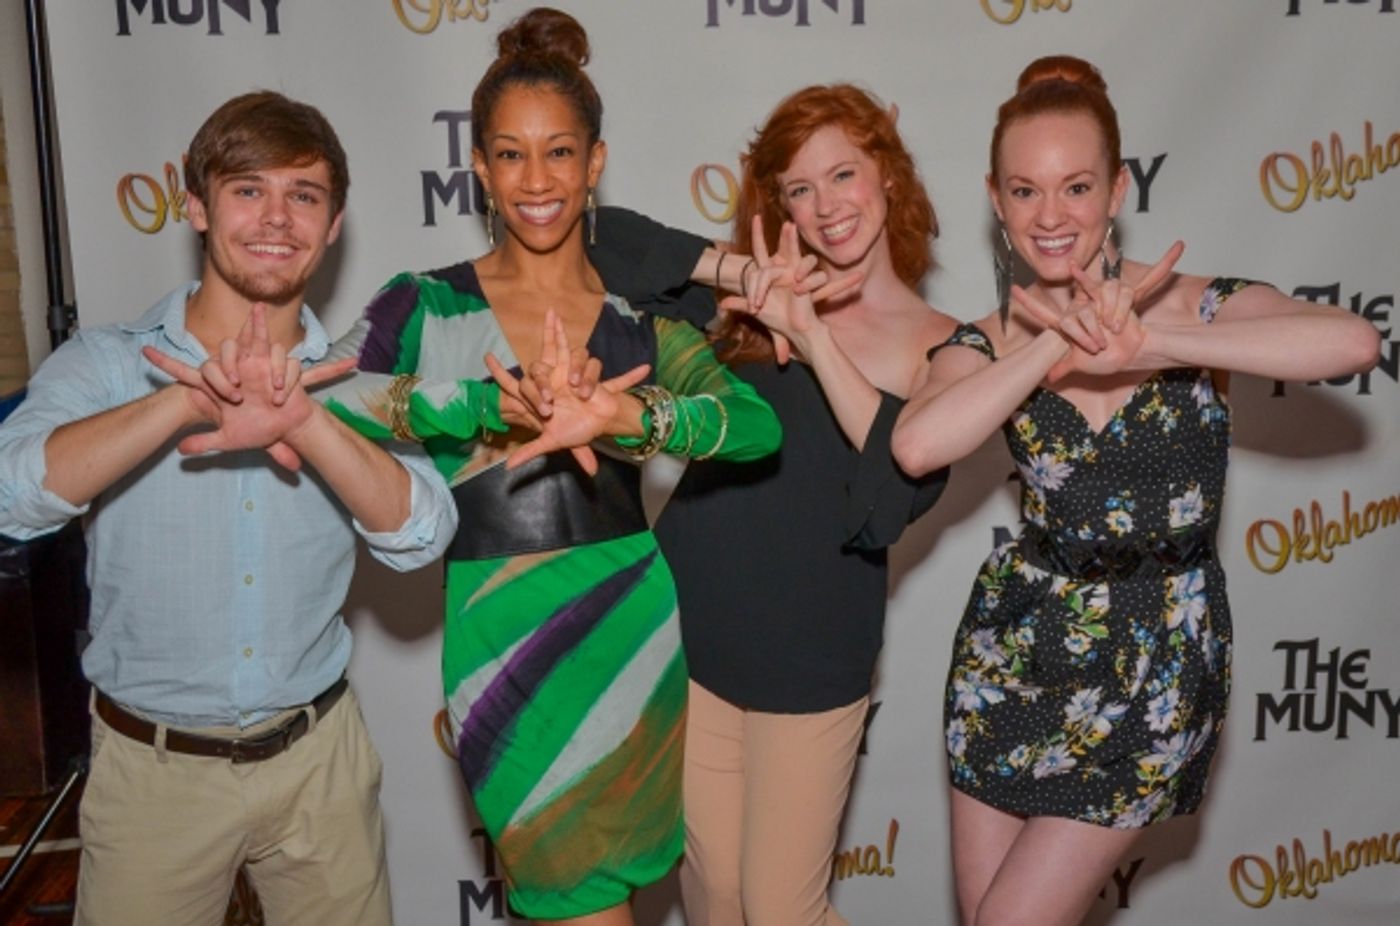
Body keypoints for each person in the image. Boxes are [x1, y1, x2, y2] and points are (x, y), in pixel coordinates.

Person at [890, 56, 1381, 926]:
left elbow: (1351, 344)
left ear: (1117, 189)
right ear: (995, 201)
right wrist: (1053, 345)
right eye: (1025, 190)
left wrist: (1150, 341)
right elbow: (920, 443)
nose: (1051, 216)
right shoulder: (985, 341)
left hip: (1157, 661)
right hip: (1014, 658)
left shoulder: (1194, 307)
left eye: (1076, 186)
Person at [316, 9, 782, 925]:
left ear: (594, 164)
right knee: (562, 895)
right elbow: (322, 392)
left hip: (631, 633)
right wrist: (481, 406)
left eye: (560, 153)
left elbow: (756, 426)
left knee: (604, 901)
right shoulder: (423, 303)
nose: (537, 181)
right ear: (480, 168)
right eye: (511, 155)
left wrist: (629, 415)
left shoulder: (637, 323)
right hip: (501, 639)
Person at [0, 91, 458, 926]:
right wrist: (182, 404)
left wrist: (308, 423)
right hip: (153, 775)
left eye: (304, 195)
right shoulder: (108, 363)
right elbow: (10, 496)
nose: (277, 218)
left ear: (334, 222)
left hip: (317, 764)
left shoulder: (350, 385)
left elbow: (423, 535)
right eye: (249, 188)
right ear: (196, 204)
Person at [643, 84, 957, 926]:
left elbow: (897, 497)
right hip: (689, 635)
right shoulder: (747, 302)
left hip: (813, 660)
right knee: (715, 902)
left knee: (783, 910)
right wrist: (737, 273)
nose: (826, 207)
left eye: (843, 174)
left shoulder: (943, 342)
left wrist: (816, 337)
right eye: (799, 188)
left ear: (888, 176)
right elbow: (599, 247)